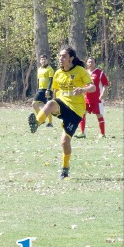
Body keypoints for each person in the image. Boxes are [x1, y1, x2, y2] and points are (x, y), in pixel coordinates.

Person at [28, 46, 96, 179]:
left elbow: (92, 87)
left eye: (64, 56)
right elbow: (55, 92)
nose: (61, 58)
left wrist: (83, 89)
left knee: (65, 142)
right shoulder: (58, 73)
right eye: (59, 56)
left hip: (76, 111)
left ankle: (65, 169)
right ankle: (37, 123)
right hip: (62, 103)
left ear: (71, 58)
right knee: (51, 103)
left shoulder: (80, 70)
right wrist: (51, 101)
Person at [75, 56, 110, 139]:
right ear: (86, 63)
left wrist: (102, 95)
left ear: (95, 63)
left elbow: (105, 85)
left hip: (96, 99)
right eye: (89, 62)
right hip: (86, 98)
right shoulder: (84, 72)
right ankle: (82, 132)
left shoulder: (100, 73)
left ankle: (102, 134)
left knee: (99, 115)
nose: (90, 63)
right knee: (82, 114)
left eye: (92, 62)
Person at [32, 54, 54, 127]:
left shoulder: (49, 69)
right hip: (40, 90)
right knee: (34, 104)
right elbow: (39, 80)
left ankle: (50, 123)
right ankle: (41, 119)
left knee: (47, 106)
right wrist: (38, 88)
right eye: (42, 59)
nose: (43, 61)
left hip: (47, 90)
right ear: (40, 61)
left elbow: (51, 80)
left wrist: (48, 89)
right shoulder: (39, 69)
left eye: (44, 59)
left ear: (47, 60)